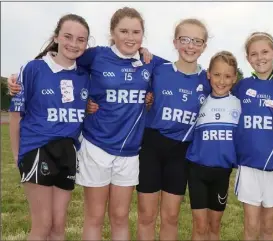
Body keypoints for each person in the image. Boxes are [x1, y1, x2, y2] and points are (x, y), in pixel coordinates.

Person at [8, 7, 165, 241]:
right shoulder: (95, 55)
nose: (130, 37)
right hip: (95, 148)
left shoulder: (148, 61)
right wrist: (15, 80)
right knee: (92, 217)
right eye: (123, 31)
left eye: (136, 32)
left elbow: (179, 70)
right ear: (112, 32)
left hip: (130, 152)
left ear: (143, 35)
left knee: (120, 217)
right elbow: (59, 63)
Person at [87, 18, 211, 240]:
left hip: (181, 152)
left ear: (204, 45)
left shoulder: (208, 79)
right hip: (151, 147)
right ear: (175, 42)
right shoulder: (158, 68)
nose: (190, 46)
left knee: (171, 216)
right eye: (184, 39)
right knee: (146, 215)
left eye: (197, 41)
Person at [8, 14, 90, 241]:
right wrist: (18, 156)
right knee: (42, 225)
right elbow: (16, 116)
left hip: (68, 152)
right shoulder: (34, 69)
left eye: (81, 39)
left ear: (86, 43)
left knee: (58, 227)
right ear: (56, 37)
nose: (74, 44)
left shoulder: (86, 75)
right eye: (68, 36)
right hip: (38, 148)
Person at [231, 32, 273, 240]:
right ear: (248, 58)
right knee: (250, 225)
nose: (260, 58)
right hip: (249, 165)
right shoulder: (241, 87)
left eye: (265, 52)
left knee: (268, 226)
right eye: (254, 54)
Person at [186, 51, 241, 240]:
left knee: (214, 226)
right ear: (208, 74)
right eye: (217, 74)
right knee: (200, 226)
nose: (222, 81)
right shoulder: (200, 101)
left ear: (234, 78)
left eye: (227, 76)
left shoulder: (238, 104)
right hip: (197, 170)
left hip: (221, 173)